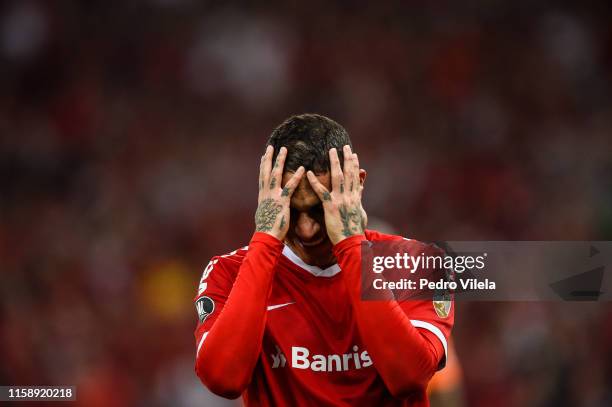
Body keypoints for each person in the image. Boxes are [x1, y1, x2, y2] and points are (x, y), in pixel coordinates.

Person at [193, 114, 454, 406]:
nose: (307, 229)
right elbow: (223, 379)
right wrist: (266, 239)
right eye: (292, 210)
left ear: (356, 184)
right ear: (267, 195)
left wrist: (351, 244)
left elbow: (408, 376)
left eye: (320, 209)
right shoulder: (229, 272)